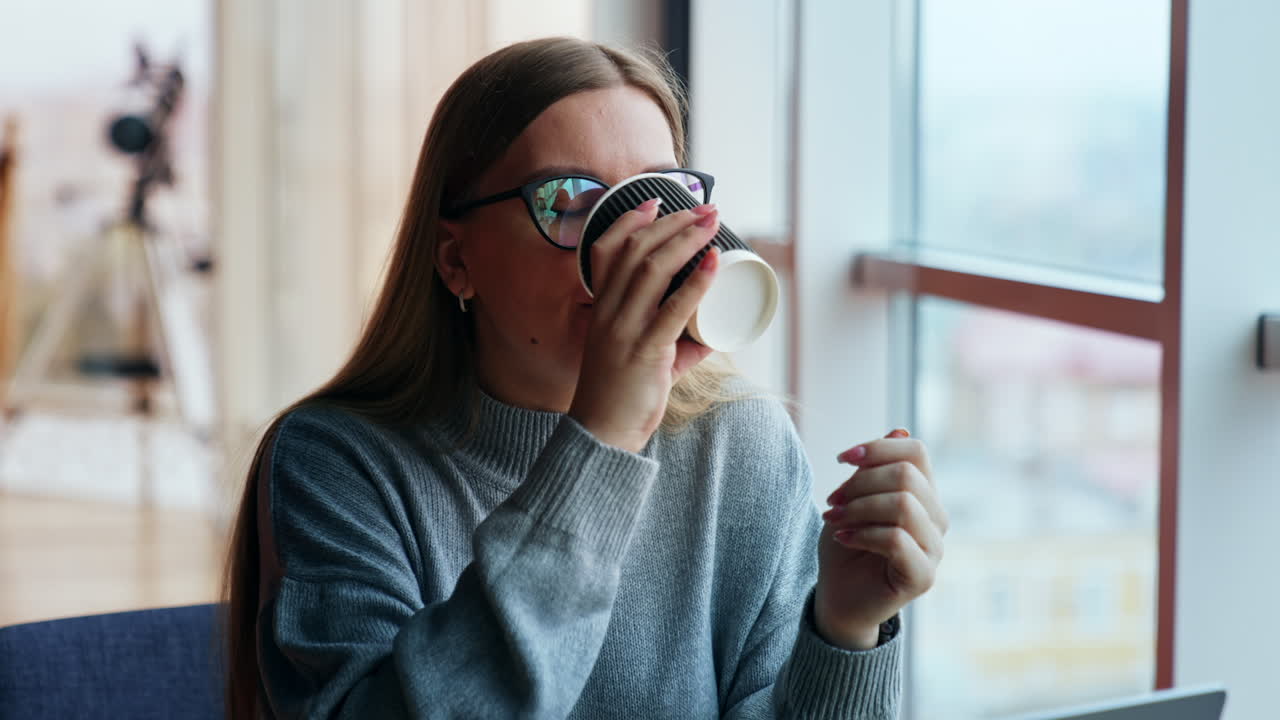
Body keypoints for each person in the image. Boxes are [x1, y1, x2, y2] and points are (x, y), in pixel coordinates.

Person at [221, 36, 948, 719]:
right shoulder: (336, 462)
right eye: (571, 202)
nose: (635, 243)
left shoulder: (740, 443)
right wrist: (600, 440)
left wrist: (846, 625)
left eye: (659, 195)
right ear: (456, 260)